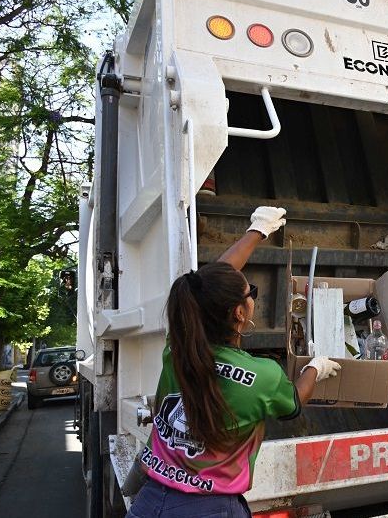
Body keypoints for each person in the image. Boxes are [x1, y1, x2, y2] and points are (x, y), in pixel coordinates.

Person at [126, 206, 341, 518]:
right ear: (240, 313)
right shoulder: (261, 376)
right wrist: (314, 368)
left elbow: (203, 288)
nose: (252, 296)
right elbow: (294, 402)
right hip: (210, 508)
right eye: (249, 292)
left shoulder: (177, 348)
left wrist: (256, 231)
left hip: (151, 502)